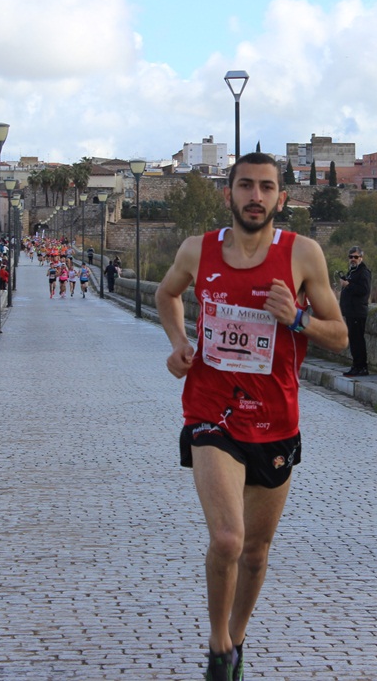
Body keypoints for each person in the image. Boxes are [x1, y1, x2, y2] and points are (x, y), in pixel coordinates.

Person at [154, 151, 348, 681]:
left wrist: (299, 317)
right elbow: (167, 293)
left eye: (266, 187)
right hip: (211, 410)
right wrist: (179, 341)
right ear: (229, 194)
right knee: (228, 540)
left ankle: (236, 640)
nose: (255, 196)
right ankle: (218, 649)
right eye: (245, 186)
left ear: (280, 198)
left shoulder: (303, 256)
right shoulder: (197, 251)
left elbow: (341, 335)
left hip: (276, 419)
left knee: (257, 554)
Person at [339, 245, 372, 377]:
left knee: (358, 341)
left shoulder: (363, 272)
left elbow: (364, 291)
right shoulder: (353, 271)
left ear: (361, 258)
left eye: (356, 257)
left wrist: (348, 285)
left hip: (358, 312)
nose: (353, 259)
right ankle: (356, 366)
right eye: (351, 257)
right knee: (353, 340)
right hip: (351, 312)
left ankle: (361, 367)